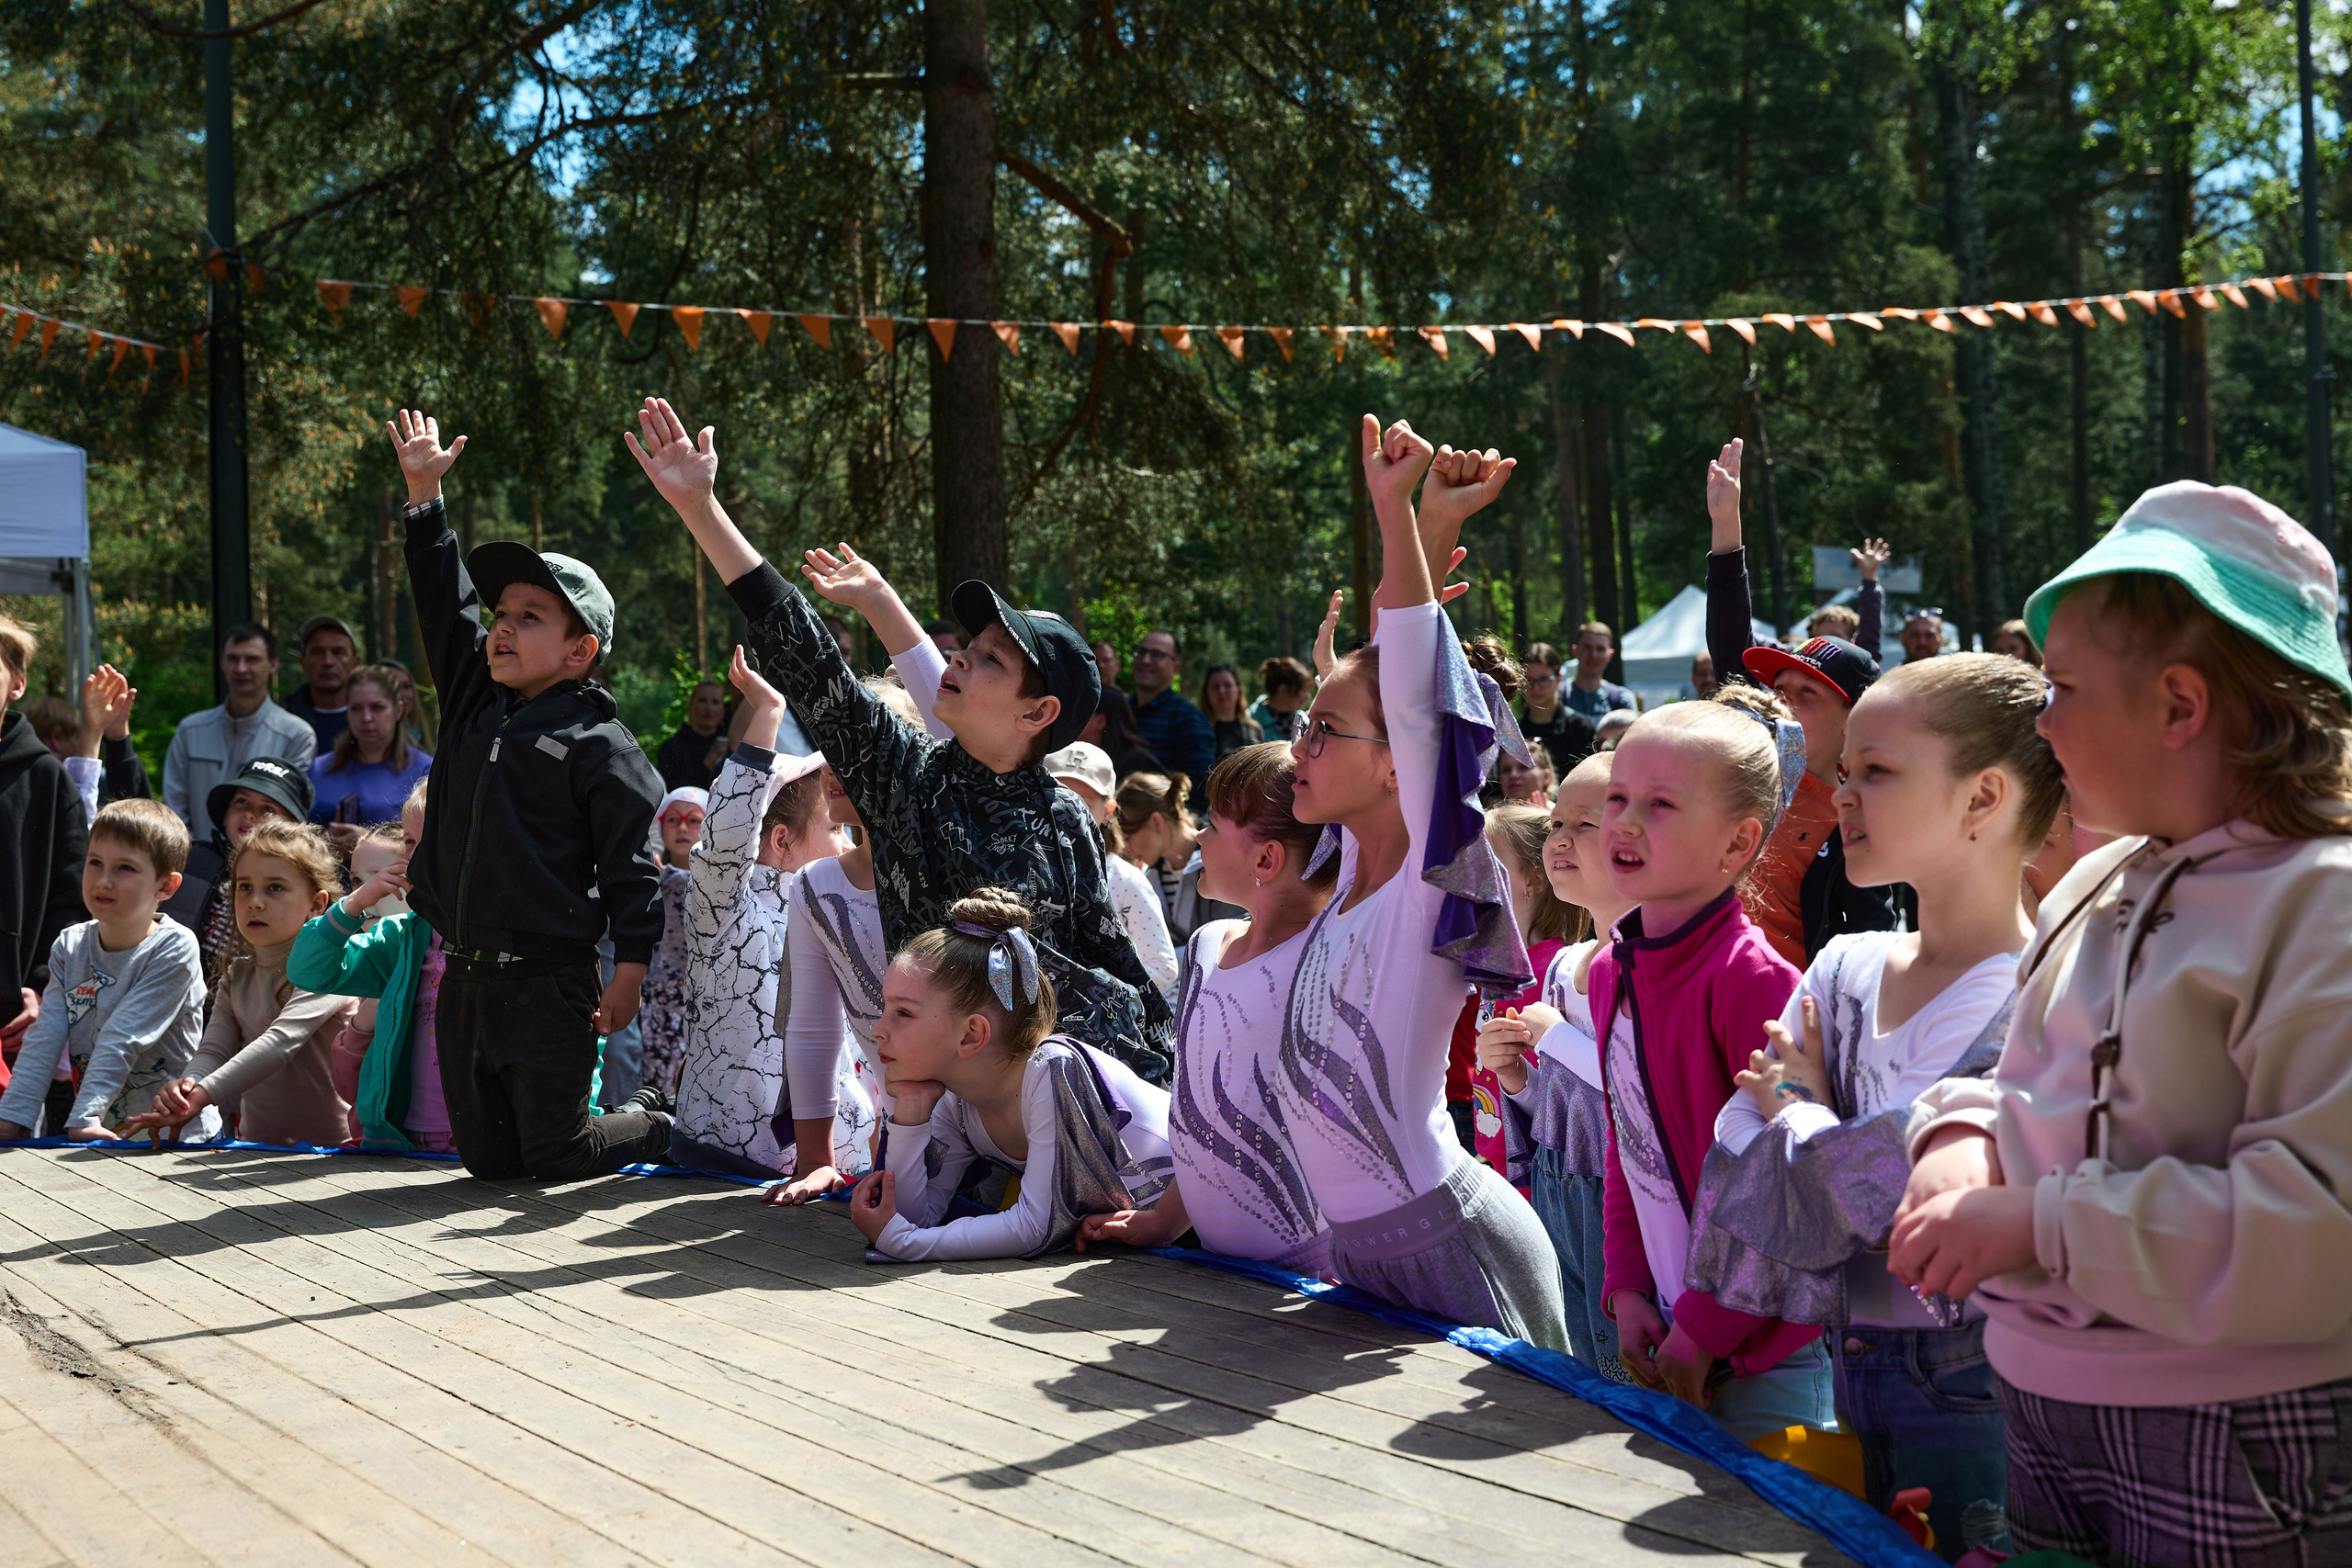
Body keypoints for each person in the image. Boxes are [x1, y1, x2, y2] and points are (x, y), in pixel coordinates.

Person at [1893, 483, 2352, 1566]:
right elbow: (2024, 1080)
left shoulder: (2321, 903)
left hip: (2233, 1431)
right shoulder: (2096, 878)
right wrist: (1960, 1141)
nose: (2038, 721)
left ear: (2179, 706)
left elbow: (2323, 1224)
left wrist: (2041, 1226)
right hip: (2043, 1403)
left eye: (2058, 690)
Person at [628, 399, 1175, 1083]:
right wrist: (700, 511)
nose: (961, 660)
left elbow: (1116, 968)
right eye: (967, 647)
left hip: (1068, 1099)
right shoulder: (903, 771)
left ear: (1038, 713)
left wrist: (1164, 1088)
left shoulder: (1066, 820)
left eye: (991, 660)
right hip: (937, 1111)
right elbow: (805, 650)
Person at [1689, 654, 2059, 1553]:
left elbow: (1889, 1208)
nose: (1841, 793)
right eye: (1843, 770)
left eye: (1877, 772)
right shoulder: (1844, 967)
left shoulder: (2044, 994)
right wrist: (1825, 1141)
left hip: (1974, 1400)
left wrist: (1802, 1115)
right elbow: (1731, 1160)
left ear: (1983, 798)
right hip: (1846, 1380)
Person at [1276, 417, 1566, 1350]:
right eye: (1303, 726)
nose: (1299, 748)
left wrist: (1391, 507)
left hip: (1454, 1245)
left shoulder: (1423, 882)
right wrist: (1426, 526)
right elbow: (1388, 672)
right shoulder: (1357, 864)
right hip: (1360, 1254)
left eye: (1323, 732)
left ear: (1400, 764)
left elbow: (1406, 693)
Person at [385, 408, 673, 1179]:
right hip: (465, 975)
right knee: (488, 1162)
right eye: (501, 615)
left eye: (530, 617)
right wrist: (423, 497)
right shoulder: (476, 701)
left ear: (581, 650)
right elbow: (443, 604)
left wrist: (629, 973)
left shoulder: (603, 748)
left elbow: (632, 872)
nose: (501, 629)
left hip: (551, 980)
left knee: (559, 1152)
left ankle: (650, 1120)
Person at [1590, 689, 1833, 1442]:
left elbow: (1786, 1188)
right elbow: (1626, 1142)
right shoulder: (1610, 971)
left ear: (1738, 844)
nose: (1625, 821)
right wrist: (1627, 1286)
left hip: (1765, 1360)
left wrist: (1703, 1327)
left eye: (1660, 805)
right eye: (1618, 797)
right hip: (1669, 1331)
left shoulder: (1757, 984)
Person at [1077, 742, 1340, 1269]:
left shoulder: (1327, 966)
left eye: (1214, 826)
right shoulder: (1205, 944)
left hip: (1309, 1269)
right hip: (1217, 1268)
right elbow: (1200, 1115)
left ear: (1266, 858)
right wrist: (1164, 1221)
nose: (1198, 835)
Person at [848, 889, 1174, 1261]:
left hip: (1200, 1234)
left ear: (972, 1034)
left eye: (902, 1013)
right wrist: (911, 1109)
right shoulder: (956, 1099)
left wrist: (907, 1244)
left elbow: (1033, 1227)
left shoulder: (1052, 1070)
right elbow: (910, 1218)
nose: (878, 1029)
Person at [671, 649, 872, 1180]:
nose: (847, 844)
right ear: (781, 840)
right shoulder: (730, 912)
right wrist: (767, 715)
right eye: (834, 830)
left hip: (837, 1166)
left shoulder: (839, 912)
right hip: (728, 1162)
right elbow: (726, 839)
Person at [1705, 439, 1897, 966]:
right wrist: (1726, 528)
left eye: (1806, 693)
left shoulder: (1860, 816)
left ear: (1853, 722)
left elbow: (1870, 942)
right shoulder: (1742, 774)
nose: (1782, 701)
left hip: (1784, 1023)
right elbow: (1730, 654)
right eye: (1779, 688)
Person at [1479, 752, 1635, 1378]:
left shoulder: (1642, 965)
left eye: (1584, 825)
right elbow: (1562, 1106)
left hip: (1618, 1202)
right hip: (1557, 1186)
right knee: (1574, 1356)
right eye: (1557, 826)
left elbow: (1644, 1095)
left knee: (1620, 1367)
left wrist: (1557, 1042)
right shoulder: (1561, 965)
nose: (1561, 840)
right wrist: (1519, 1081)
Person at [771, 677, 927, 1205]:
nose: (831, 766)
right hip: (901, 1135)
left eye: (853, 744)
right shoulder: (815, 885)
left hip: (1003, 1136)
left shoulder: (945, 873)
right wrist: (816, 1161)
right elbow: (814, 1028)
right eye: (827, 747)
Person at [125, 819, 354, 1147]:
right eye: (244, 886)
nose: (255, 901)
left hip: (333, 1157)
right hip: (255, 1152)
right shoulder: (238, 974)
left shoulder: (333, 967)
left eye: (275, 887)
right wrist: (188, 1085)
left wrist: (203, 1094)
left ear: (316, 904)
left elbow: (279, 1043)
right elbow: (214, 1050)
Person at [0, 799, 208, 1142]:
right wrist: (11, 1118)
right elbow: (45, 1037)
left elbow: (123, 1035)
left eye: (125, 868)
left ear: (165, 886)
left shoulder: (175, 948)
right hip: (100, 1137)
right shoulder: (71, 945)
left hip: (175, 1140)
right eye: (95, 862)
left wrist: (84, 1115)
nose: (104, 880)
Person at [289, 780, 456, 1154]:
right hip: (399, 1141)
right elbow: (308, 971)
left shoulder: (509, 941)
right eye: (409, 841)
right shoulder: (400, 940)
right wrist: (355, 904)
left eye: (427, 838)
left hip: (481, 1142)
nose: (413, 855)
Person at [1453, 801, 1575, 1174]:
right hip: (1499, 1165)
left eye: (1483, 863)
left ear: (1534, 880)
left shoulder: (1556, 972)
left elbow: (1563, 1102)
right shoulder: (1492, 968)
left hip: (1542, 1177)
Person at [0, 615, 87, 1085]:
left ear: (17, 684)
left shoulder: (45, 779)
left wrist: (40, 988)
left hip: (13, 1024)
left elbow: (70, 899)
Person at [1044, 742, 1179, 1007]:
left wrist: (1100, 999)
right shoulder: (1024, 869)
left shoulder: (1125, 880)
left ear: (1107, 811)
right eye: (1058, 796)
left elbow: (1162, 965)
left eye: (1083, 802)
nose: (1067, 811)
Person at [163, 622, 318, 845]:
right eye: (233, 659)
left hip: (262, 865)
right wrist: (193, 858)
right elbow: (173, 806)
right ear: (222, 664)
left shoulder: (296, 735)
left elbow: (290, 816)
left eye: (252, 659)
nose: (241, 668)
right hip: (193, 865)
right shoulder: (191, 730)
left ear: (273, 664)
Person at [162, 755, 311, 983]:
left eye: (268, 808)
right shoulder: (189, 859)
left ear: (290, 827)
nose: (250, 814)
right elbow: (142, 840)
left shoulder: (304, 884)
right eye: (242, 801)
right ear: (225, 814)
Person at [309, 664, 434, 851]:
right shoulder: (319, 769)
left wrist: (367, 843)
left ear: (398, 710)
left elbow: (433, 845)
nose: (366, 718)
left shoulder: (424, 771)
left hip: (395, 878)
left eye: (377, 707)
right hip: (327, 877)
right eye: (356, 708)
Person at [1114, 771, 1241, 948]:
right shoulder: (1148, 875)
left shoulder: (1224, 857)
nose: (1125, 848)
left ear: (1156, 822)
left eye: (1127, 837)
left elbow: (1231, 938)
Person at [637, 784, 708, 1097]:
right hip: (658, 992)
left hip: (704, 993)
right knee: (658, 1078)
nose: (682, 827)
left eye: (694, 820)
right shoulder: (649, 876)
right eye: (674, 819)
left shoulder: (716, 881)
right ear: (661, 825)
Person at [44, 665, 151, 818]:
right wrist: (94, 732)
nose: (77, 745)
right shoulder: (45, 779)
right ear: (56, 737)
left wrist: (115, 734)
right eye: (77, 738)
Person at [1130, 630, 1215, 795]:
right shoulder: (1122, 710)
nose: (1146, 660)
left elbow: (1201, 786)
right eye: (1141, 652)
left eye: (1157, 654)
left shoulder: (1187, 718)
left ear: (1175, 667)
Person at [1518, 642, 1598, 779]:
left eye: (1544, 679)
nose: (1536, 687)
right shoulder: (1514, 731)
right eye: (1528, 679)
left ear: (1559, 678)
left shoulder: (1579, 727)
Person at [281, 615, 358, 750]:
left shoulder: (373, 718)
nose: (328, 662)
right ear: (303, 664)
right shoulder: (284, 722)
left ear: (355, 663)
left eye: (338, 653)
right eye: (318, 653)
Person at [656, 679, 732, 791]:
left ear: (722, 710)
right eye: (702, 700)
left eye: (715, 702)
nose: (709, 708)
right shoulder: (672, 748)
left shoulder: (732, 745)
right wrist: (705, 768)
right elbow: (666, 789)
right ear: (690, 706)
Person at [1564, 622, 1634, 724]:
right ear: (1575, 651)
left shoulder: (1622, 700)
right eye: (1588, 648)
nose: (1594, 655)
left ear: (1610, 655)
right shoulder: (1557, 698)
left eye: (1600, 649)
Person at [1200, 662, 1261, 764]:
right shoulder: (1199, 729)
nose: (1221, 691)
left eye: (1227, 685)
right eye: (1215, 687)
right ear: (1206, 692)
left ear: (1238, 689)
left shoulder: (1254, 730)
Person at [1250, 656, 1312, 746]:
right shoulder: (1251, 722)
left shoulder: (1304, 721)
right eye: (1303, 690)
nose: (1308, 696)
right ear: (1283, 689)